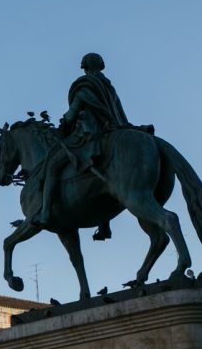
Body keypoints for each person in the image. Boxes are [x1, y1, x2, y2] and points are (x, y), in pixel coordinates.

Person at [32, 53, 147, 240]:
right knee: (104, 176)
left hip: (90, 135)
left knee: (52, 165)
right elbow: (118, 112)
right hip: (113, 129)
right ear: (101, 65)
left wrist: (65, 124)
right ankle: (104, 224)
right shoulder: (108, 86)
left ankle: (45, 213)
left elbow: (73, 112)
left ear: (84, 66)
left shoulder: (84, 85)